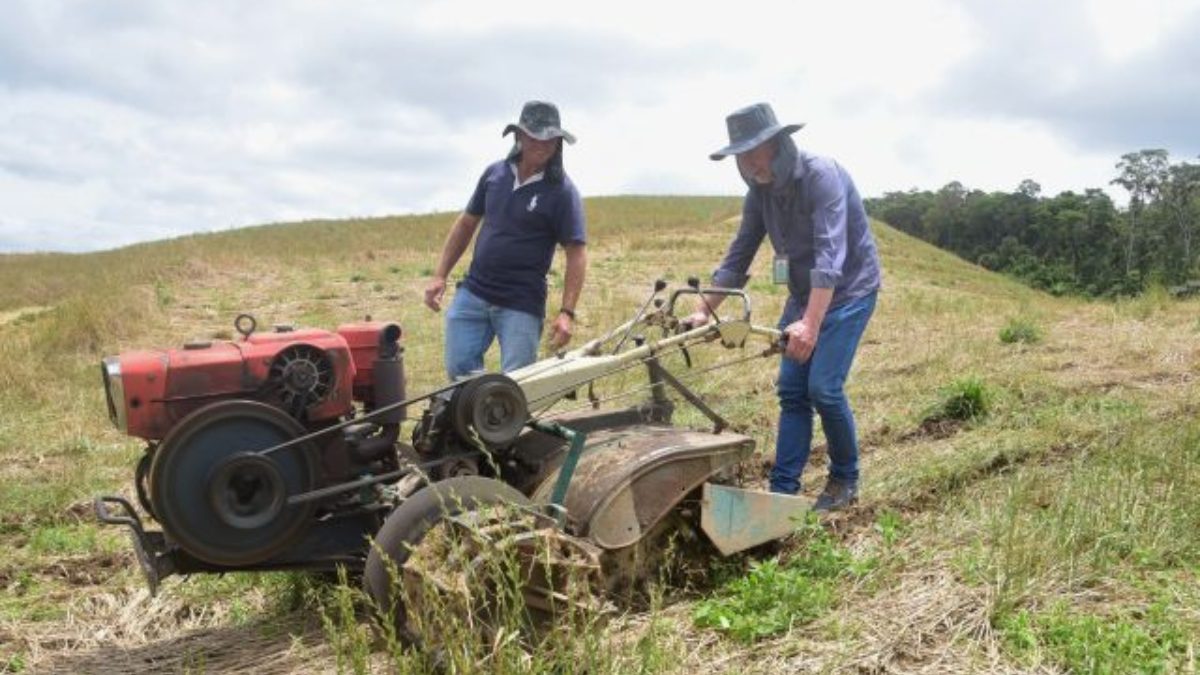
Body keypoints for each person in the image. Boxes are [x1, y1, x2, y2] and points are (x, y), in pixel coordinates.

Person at [690, 102, 881, 512]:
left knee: (823, 389)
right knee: (793, 392)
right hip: (801, 295)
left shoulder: (821, 176)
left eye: (751, 152)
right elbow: (739, 253)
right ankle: (783, 490)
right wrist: (704, 308)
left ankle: (845, 478)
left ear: (776, 144)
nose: (745, 163)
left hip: (848, 291)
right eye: (739, 156)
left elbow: (831, 256)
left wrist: (810, 325)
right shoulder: (758, 193)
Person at [424, 101, 587, 380]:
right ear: (519, 136)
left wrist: (566, 313)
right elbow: (466, 223)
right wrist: (440, 275)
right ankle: (469, 421)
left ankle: (507, 422)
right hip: (474, 291)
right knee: (459, 373)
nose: (543, 144)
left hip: (521, 301)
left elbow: (576, 252)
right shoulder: (494, 174)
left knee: (517, 385)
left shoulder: (562, 192)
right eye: (535, 136)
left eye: (551, 139)